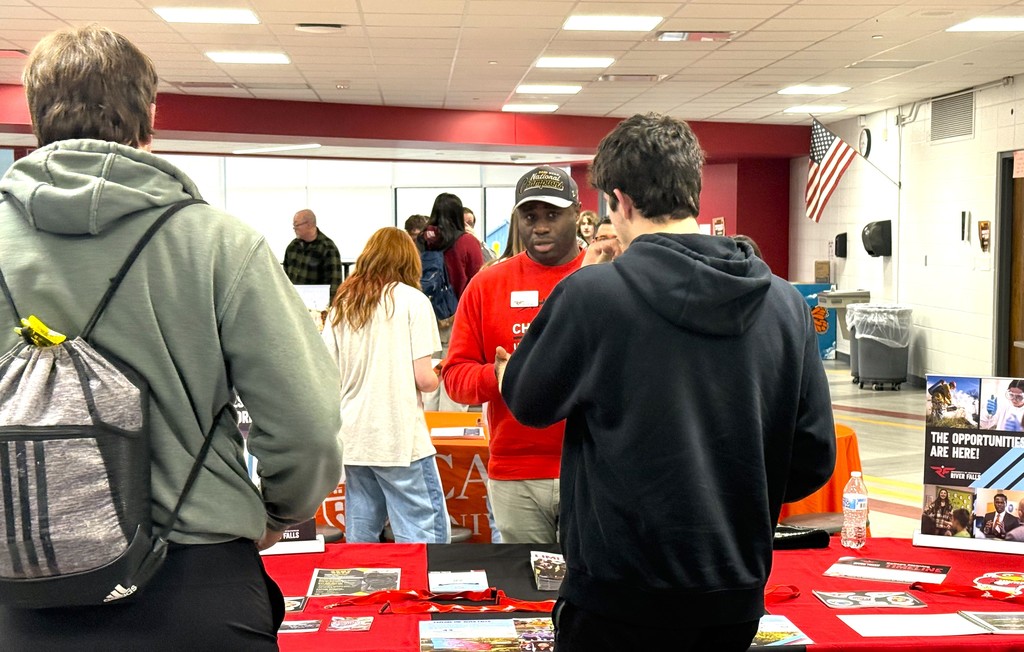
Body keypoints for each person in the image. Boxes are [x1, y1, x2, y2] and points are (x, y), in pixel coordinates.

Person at [0, 25, 343, 649]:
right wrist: (281, 512)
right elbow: (308, 421)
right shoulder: (217, 243)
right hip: (195, 577)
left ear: (34, 117)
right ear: (148, 118)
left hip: (19, 581)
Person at [496, 113, 836, 651]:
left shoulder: (592, 295)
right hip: (733, 593)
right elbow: (812, 458)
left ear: (619, 200)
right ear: (693, 192)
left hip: (618, 594)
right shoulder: (784, 302)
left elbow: (528, 401)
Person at [443, 165, 585, 544]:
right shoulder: (487, 285)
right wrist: (501, 376)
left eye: (552, 215)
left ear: (577, 214)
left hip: (592, 469)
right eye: (529, 216)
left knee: (597, 591)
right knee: (527, 594)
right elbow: (455, 377)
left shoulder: (605, 278)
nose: (539, 227)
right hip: (516, 473)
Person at [321, 227, 450, 544]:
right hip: (398, 436)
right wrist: (441, 372)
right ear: (409, 261)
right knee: (425, 534)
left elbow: (327, 375)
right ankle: (421, 594)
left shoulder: (343, 305)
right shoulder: (413, 302)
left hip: (353, 435)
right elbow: (424, 379)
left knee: (362, 531)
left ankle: (365, 593)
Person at [419, 193, 484, 412]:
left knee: (428, 371)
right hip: (458, 316)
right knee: (454, 370)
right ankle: (451, 433)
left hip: (424, 314)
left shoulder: (421, 240)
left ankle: (430, 434)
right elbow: (478, 277)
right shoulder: (467, 242)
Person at [284, 208, 344, 300]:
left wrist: (329, 309)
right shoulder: (292, 247)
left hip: (317, 307)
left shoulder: (328, 248)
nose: (294, 229)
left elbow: (334, 284)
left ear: (308, 224)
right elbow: (284, 278)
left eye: (296, 225)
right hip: (293, 304)